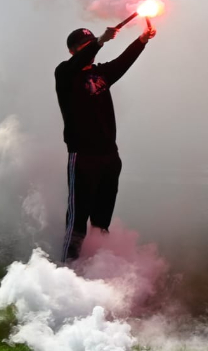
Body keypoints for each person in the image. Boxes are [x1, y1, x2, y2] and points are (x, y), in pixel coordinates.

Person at [55, 20, 156, 264]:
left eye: (91, 44)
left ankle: (98, 266)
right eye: (84, 46)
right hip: (83, 156)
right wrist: (99, 41)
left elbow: (123, 62)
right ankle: (68, 267)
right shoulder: (65, 73)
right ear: (73, 51)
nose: (89, 49)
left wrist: (141, 40)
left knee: (102, 218)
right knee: (78, 218)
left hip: (109, 157)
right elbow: (79, 61)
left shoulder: (101, 73)